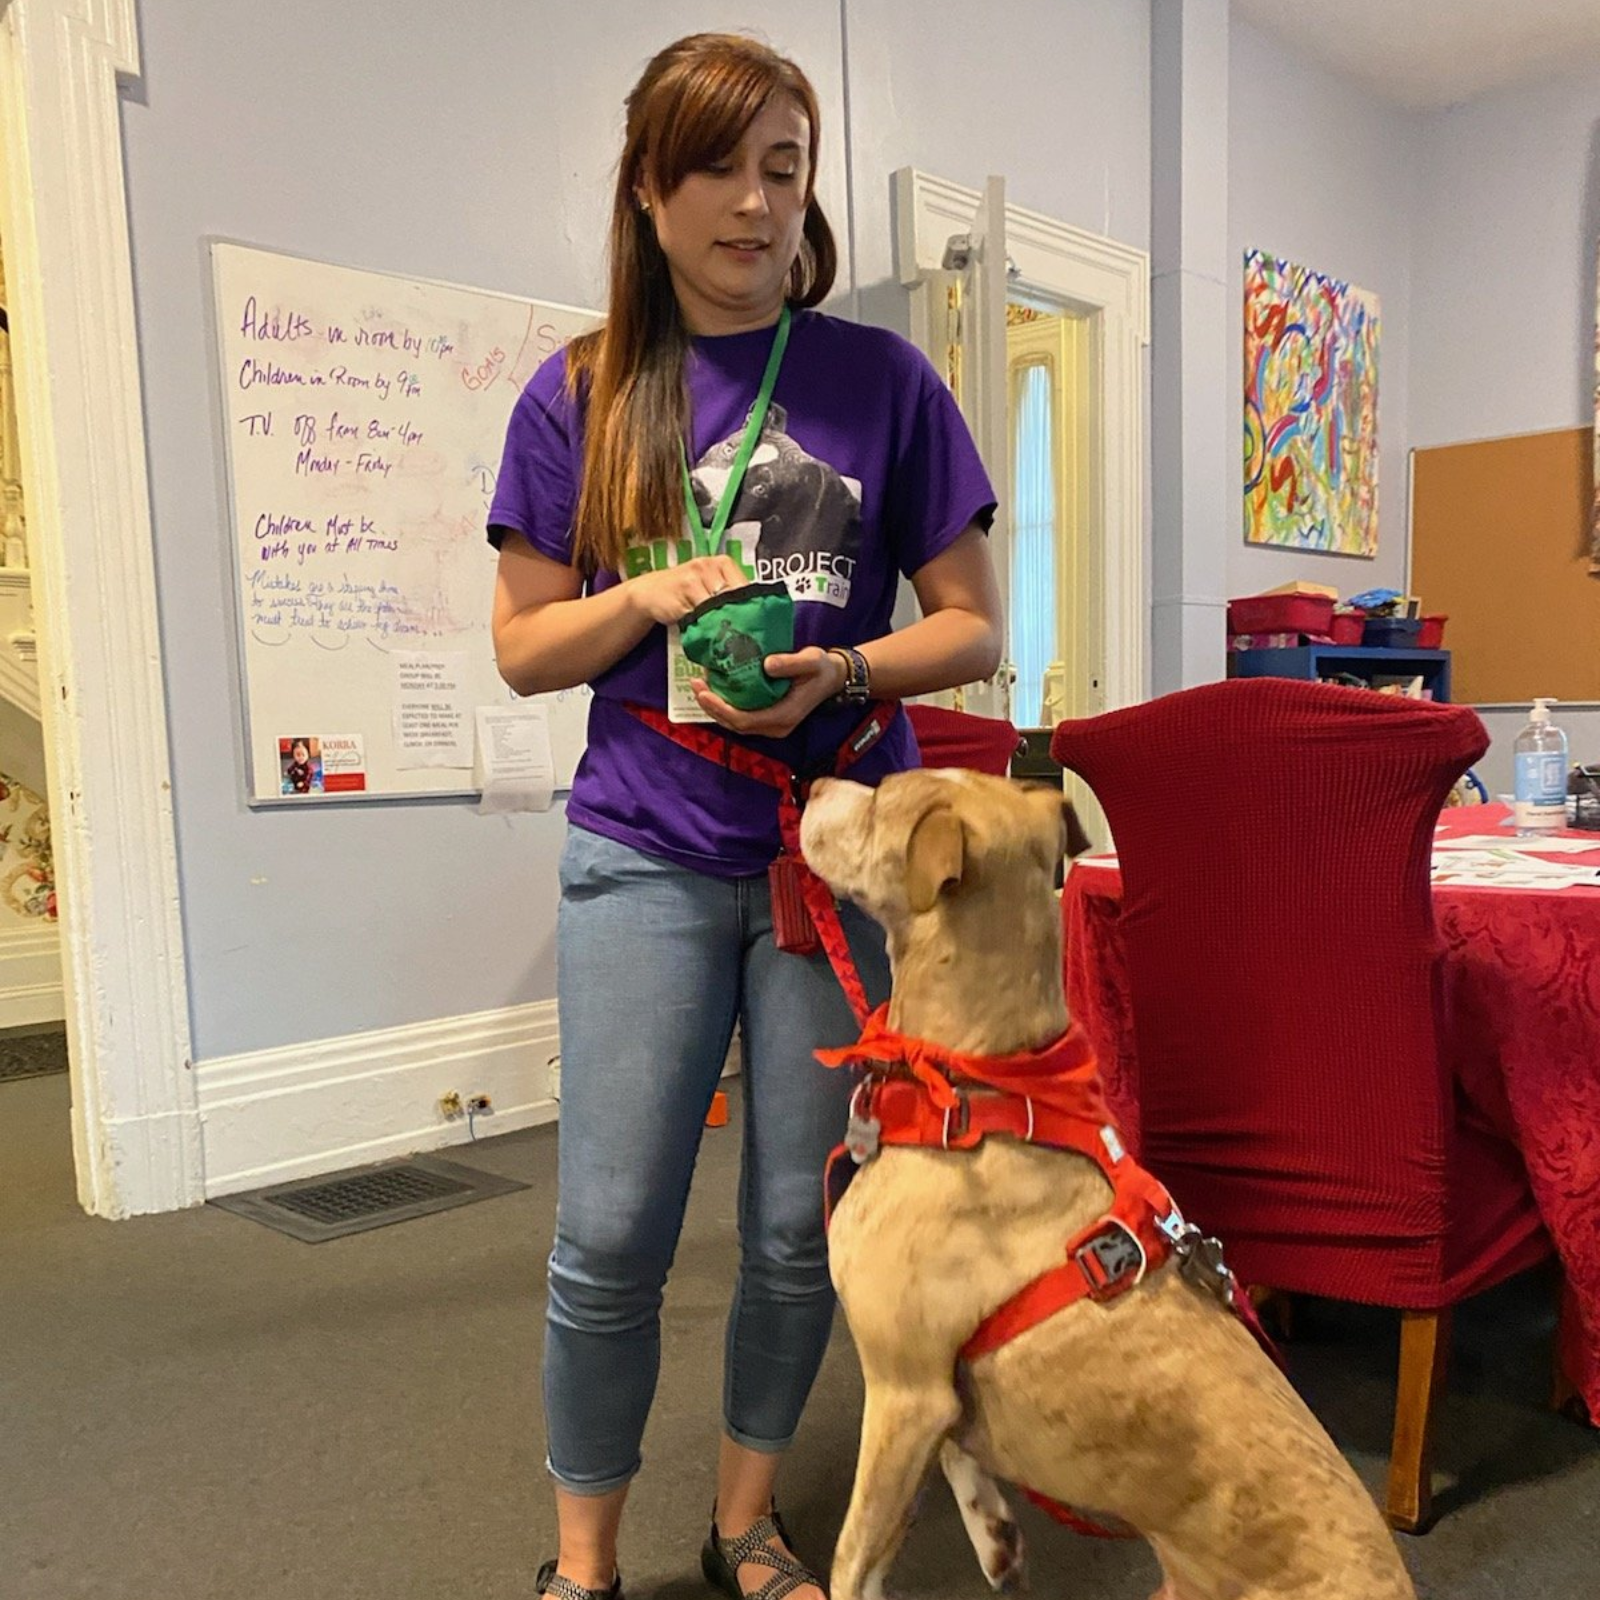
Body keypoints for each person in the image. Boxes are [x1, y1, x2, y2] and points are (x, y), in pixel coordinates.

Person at [488, 31, 1001, 1600]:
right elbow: (521, 649)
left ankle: (745, 1524)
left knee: (796, 1225)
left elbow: (973, 626)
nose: (755, 201)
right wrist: (639, 594)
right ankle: (585, 1563)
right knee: (614, 1234)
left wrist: (840, 664)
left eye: (784, 166)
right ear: (650, 188)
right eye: (718, 165)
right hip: (641, 850)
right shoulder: (580, 392)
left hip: (829, 854)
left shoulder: (886, 384)